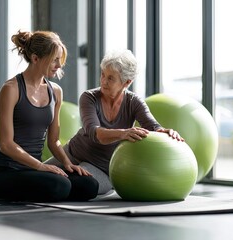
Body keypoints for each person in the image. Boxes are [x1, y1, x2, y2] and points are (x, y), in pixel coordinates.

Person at [45, 49, 184, 195]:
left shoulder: (134, 102)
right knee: (37, 174)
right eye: (103, 75)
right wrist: (122, 134)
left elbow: (153, 127)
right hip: (72, 154)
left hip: (102, 169)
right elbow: (94, 132)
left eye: (110, 78)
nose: (103, 81)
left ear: (126, 82)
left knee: (79, 185)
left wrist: (166, 132)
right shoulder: (89, 97)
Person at [0, 30, 99, 202]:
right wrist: (41, 166)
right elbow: (6, 145)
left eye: (60, 59)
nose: (59, 65)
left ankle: (44, 186)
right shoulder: (11, 89)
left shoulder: (56, 92)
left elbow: (53, 141)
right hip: (4, 171)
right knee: (60, 186)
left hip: (32, 171)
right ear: (36, 58)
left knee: (89, 186)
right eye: (54, 59)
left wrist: (67, 163)